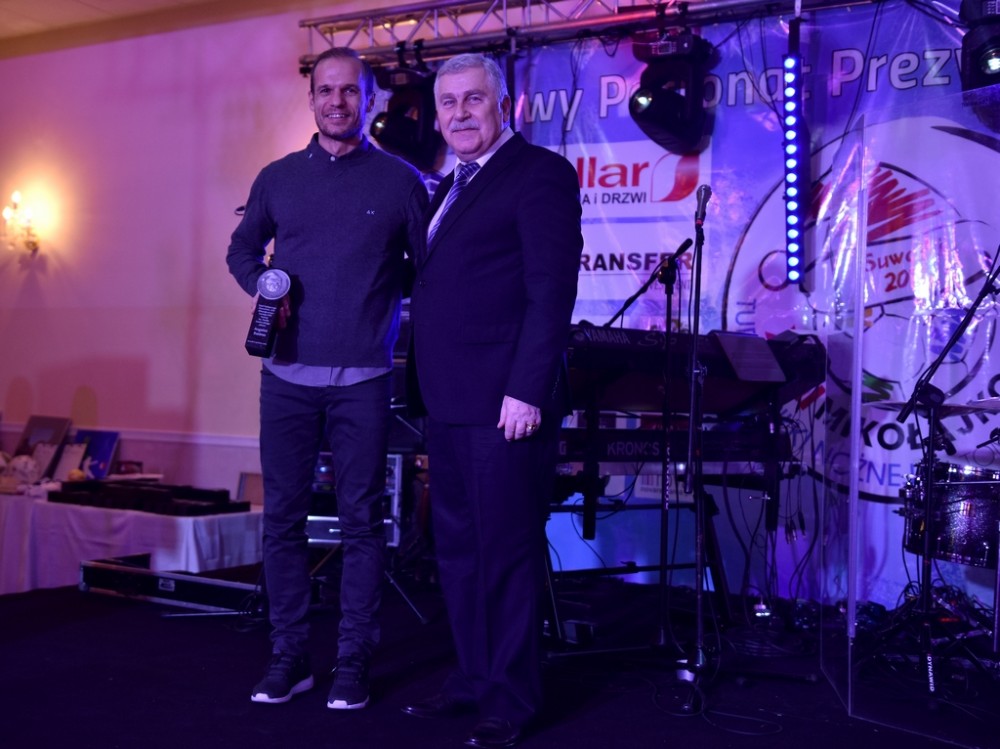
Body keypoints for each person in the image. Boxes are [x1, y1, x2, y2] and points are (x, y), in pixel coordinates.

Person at [226, 47, 428, 710]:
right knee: (283, 519)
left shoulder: (401, 183)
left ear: (370, 100)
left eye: (350, 92)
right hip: (285, 377)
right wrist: (264, 282)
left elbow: (425, 271)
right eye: (326, 91)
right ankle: (289, 656)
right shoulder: (278, 178)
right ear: (311, 99)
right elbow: (241, 249)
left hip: (364, 379)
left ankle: (352, 658)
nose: (337, 102)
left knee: (361, 523)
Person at [402, 53, 583, 747]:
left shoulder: (538, 174)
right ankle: (474, 678)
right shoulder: (448, 186)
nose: (459, 113)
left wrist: (526, 390)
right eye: (448, 103)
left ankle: (511, 698)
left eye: (473, 99)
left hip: (506, 406)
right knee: (458, 553)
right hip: (447, 401)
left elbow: (550, 292)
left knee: (504, 553)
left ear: (503, 104)